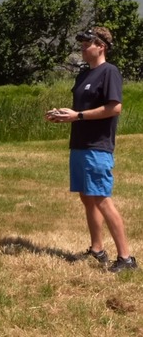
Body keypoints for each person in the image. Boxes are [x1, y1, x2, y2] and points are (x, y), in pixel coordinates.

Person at [45, 26, 136, 273]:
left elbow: (114, 108)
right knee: (87, 198)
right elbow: (79, 113)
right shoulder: (83, 76)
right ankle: (97, 250)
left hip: (98, 147)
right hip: (79, 145)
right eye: (82, 44)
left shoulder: (110, 72)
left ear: (101, 46)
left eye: (88, 44)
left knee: (101, 198)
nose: (83, 48)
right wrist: (63, 116)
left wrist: (79, 116)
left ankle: (126, 259)